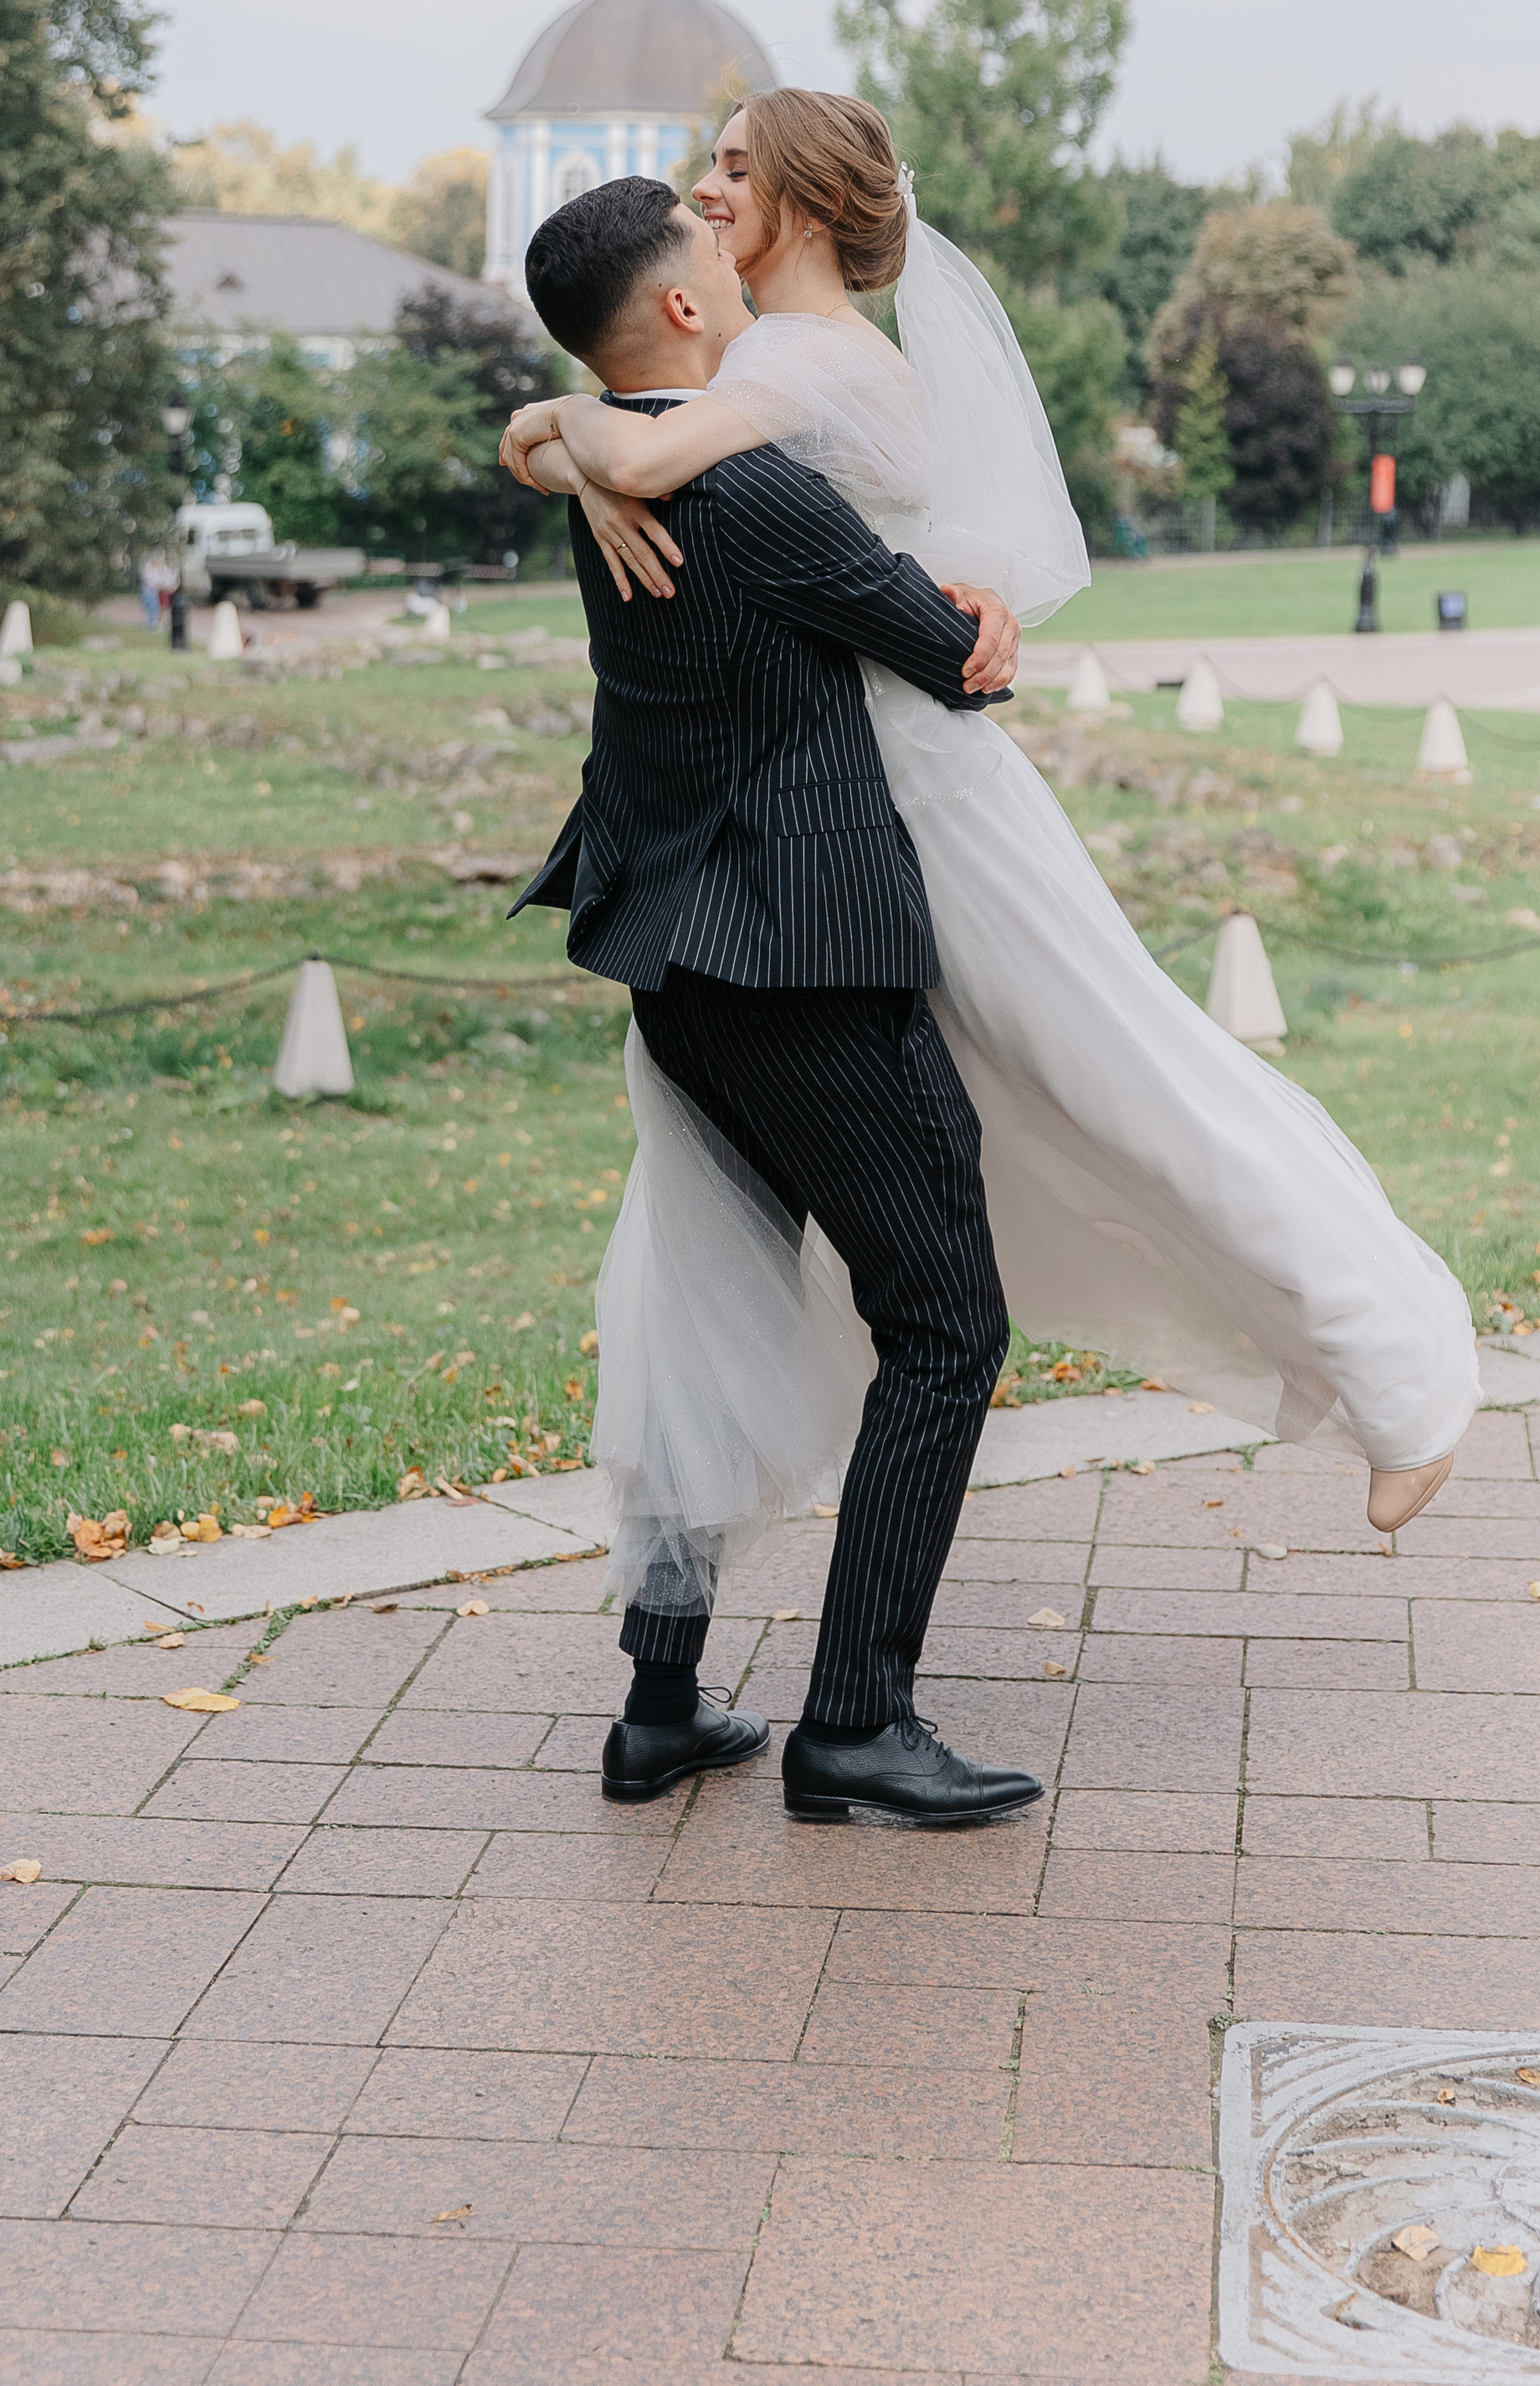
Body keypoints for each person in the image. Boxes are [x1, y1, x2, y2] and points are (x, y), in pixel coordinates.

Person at [505, 90, 1482, 1556]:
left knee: (1123, 1077)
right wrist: (570, 447)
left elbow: (641, 445)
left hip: (922, 797)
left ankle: (1401, 1377)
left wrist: (581, 442)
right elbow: (614, 428)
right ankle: (705, 1543)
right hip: (825, 810)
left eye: (731, 170)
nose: (704, 191)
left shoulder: (808, 360)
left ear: (808, 206)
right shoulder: (770, 355)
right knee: (968, 1135)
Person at [511, 172, 1045, 1830]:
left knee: (702, 1308)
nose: (728, 251)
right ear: (680, 308)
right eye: (704, 247)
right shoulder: (751, 484)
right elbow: (953, 656)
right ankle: (854, 1724)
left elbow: (583, 435)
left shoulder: (605, 465)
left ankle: (657, 1706)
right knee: (945, 1322)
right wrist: (982, 603)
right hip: (802, 961)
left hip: (673, 953)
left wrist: (550, 425)